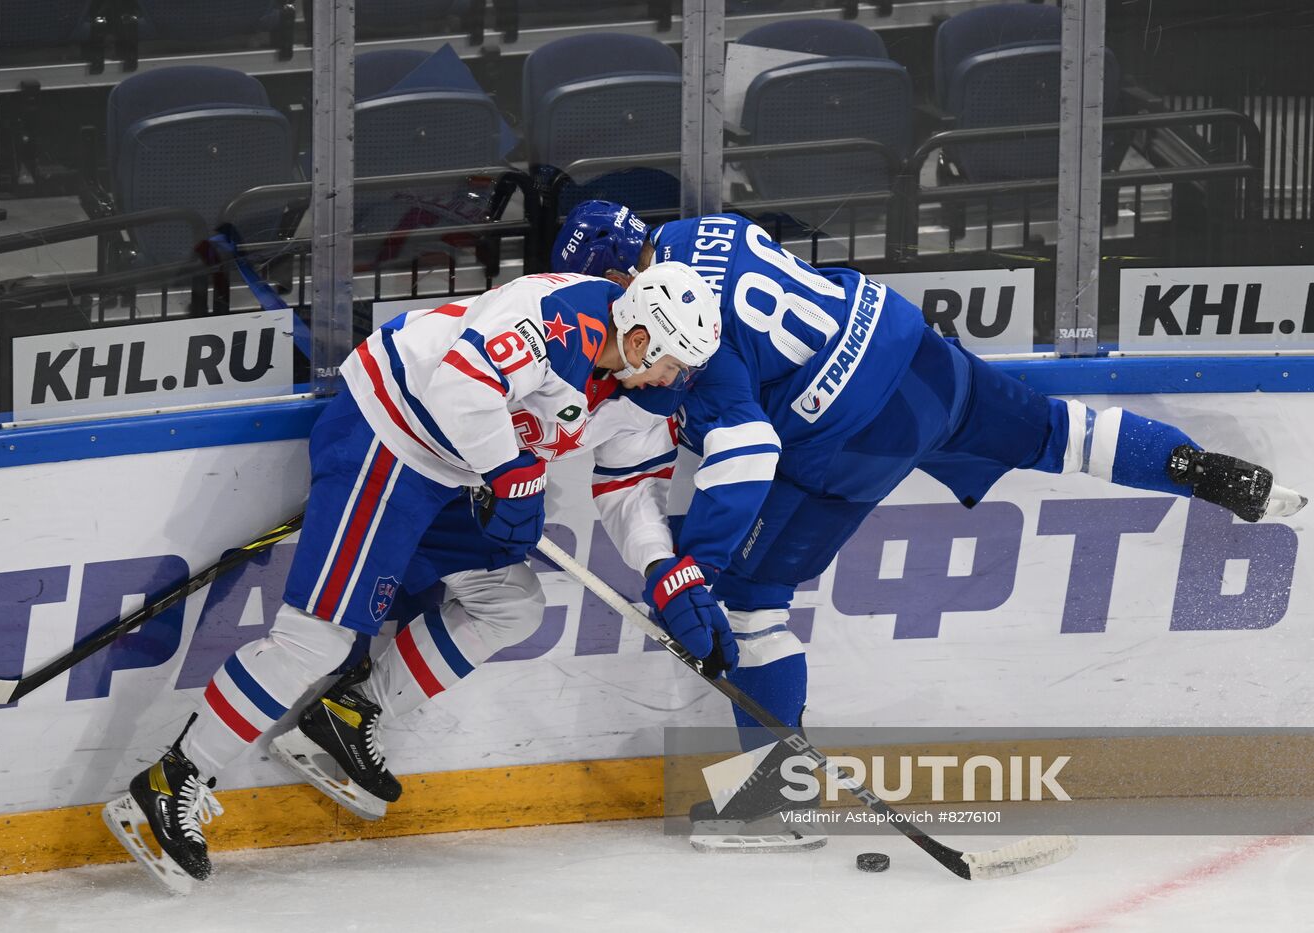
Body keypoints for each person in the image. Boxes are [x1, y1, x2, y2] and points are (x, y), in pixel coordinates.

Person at [550, 200, 1308, 849]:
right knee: (1056, 430)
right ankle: (1201, 468)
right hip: (907, 346)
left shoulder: (680, 326)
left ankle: (778, 799)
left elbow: (747, 451)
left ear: (622, 271)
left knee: (751, 597)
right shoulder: (701, 228)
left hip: (850, 428)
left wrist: (697, 567)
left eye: (599, 285)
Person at [102, 262, 734, 892]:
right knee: (314, 639)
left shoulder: (635, 387)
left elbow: (628, 488)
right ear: (641, 338)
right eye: (673, 362)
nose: (674, 379)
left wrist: (664, 569)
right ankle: (169, 782)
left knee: (511, 605)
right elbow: (462, 383)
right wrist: (510, 472)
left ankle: (345, 717)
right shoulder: (557, 315)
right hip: (393, 433)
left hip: (459, 469)